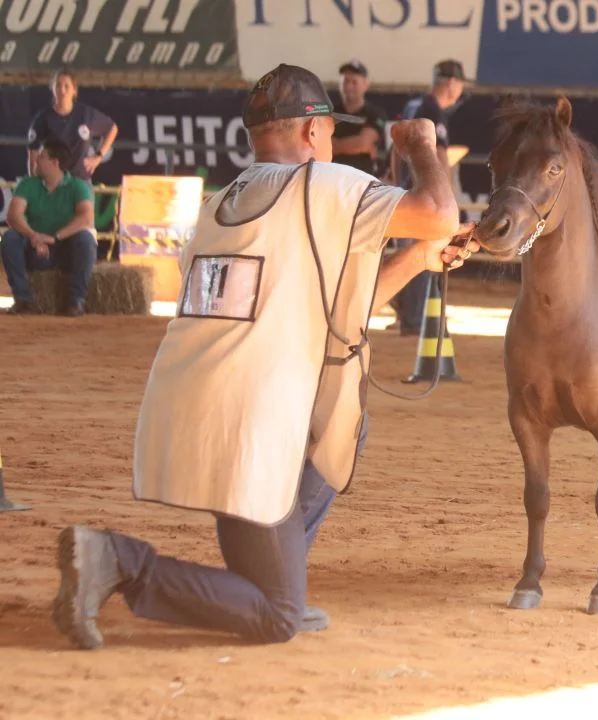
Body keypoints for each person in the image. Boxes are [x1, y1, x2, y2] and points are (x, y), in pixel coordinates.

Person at [49, 63, 478, 650]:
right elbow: (439, 213)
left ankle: (275, 577)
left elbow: (335, 311)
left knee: (344, 427)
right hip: (251, 426)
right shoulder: (322, 185)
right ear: (311, 131)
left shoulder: (218, 206)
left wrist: (417, 260)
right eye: (330, 131)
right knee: (277, 617)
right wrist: (424, 144)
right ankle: (119, 561)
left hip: (187, 411)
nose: (331, 143)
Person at [387, 59, 469, 336]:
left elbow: (394, 149)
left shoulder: (413, 106)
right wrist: (447, 198)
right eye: (460, 84)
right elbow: (441, 156)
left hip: (405, 195)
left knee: (407, 254)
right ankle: (414, 321)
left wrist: (397, 185)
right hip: (425, 198)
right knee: (424, 255)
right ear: (452, 83)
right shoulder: (432, 111)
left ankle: (407, 316)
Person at [2, 138, 97, 316]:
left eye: (42, 156)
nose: (36, 160)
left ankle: (76, 300)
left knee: (86, 240)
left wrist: (54, 238)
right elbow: (13, 216)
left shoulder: (78, 186)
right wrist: (34, 236)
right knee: (10, 238)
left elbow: (86, 218)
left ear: (55, 162)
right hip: (33, 247)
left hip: (64, 248)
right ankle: (23, 299)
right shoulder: (28, 184)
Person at [27, 69, 117, 184]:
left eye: (66, 86)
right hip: (55, 183)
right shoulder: (44, 118)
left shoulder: (85, 113)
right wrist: (35, 186)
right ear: (53, 89)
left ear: (74, 90)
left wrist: (98, 156)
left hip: (80, 181)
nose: (62, 90)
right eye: (58, 85)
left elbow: (112, 128)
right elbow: (33, 154)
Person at [331, 59, 389, 178]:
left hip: (363, 179)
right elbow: (319, 144)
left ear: (365, 85)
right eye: (345, 81)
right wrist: (357, 145)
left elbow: (363, 143)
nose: (349, 86)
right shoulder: (330, 113)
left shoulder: (375, 114)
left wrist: (334, 144)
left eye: (354, 82)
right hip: (332, 177)